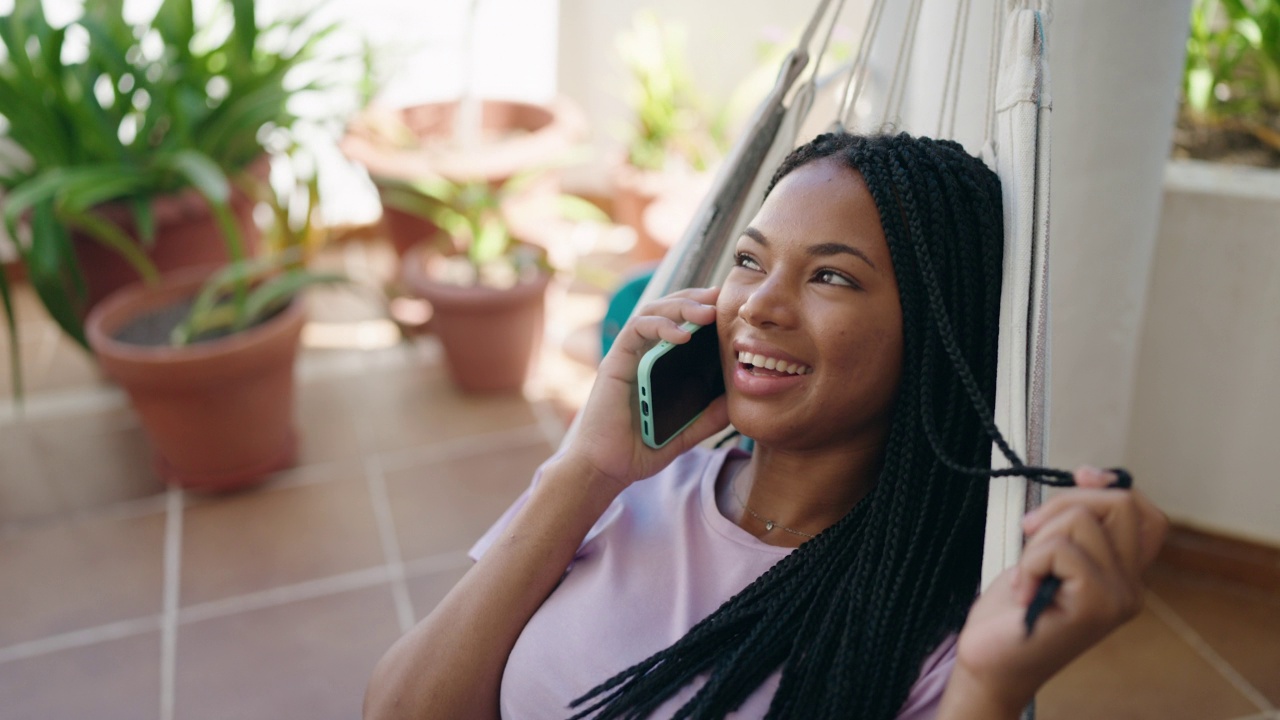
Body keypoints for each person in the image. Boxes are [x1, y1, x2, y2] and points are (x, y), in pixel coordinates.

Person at [363, 132, 1168, 720]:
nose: (758, 306)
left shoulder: (933, 627)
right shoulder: (618, 493)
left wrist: (988, 691)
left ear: (937, 333)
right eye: (750, 261)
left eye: (830, 276)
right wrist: (584, 469)